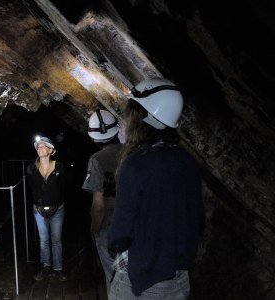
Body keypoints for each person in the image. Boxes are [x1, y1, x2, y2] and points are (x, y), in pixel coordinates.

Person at [108, 78, 205, 299]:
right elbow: (198, 221)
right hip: (179, 279)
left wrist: (114, 246)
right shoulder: (187, 160)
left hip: (142, 281)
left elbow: (119, 235)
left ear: (142, 118)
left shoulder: (135, 165)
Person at [81, 109, 123, 294]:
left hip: (109, 228)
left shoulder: (96, 160)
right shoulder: (132, 154)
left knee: (112, 277)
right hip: (133, 227)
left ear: (94, 137)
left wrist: (94, 229)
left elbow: (98, 207)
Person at [27, 136, 67, 282]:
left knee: (56, 240)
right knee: (44, 240)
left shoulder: (59, 167)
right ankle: (45, 267)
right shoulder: (31, 168)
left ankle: (58, 269)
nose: (39, 148)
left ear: (50, 150)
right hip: (39, 210)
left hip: (57, 209)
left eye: (43, 146)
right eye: (38, 147)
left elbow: (63, 186)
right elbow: (32, 187)